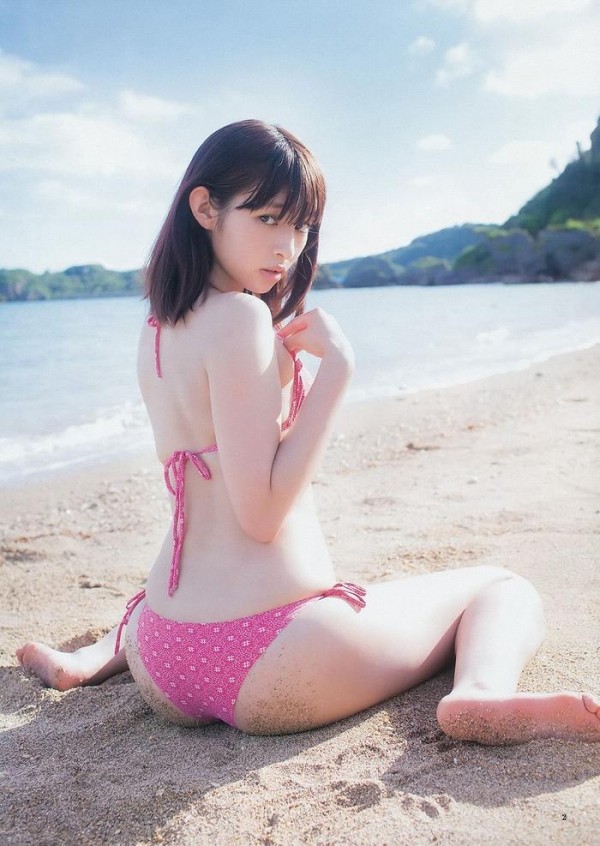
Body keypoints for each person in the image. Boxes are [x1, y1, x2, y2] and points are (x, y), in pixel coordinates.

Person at [17, 120, 599, 744]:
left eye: (300, 227)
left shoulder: (159, 324)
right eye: (268, 218)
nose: (287, 247)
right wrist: (338, 371)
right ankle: (481, 693)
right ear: (205, 208)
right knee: (499, 587)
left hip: (162, 652)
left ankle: (94, 658)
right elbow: (261, 515)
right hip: (269, 650)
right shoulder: (240, 318)